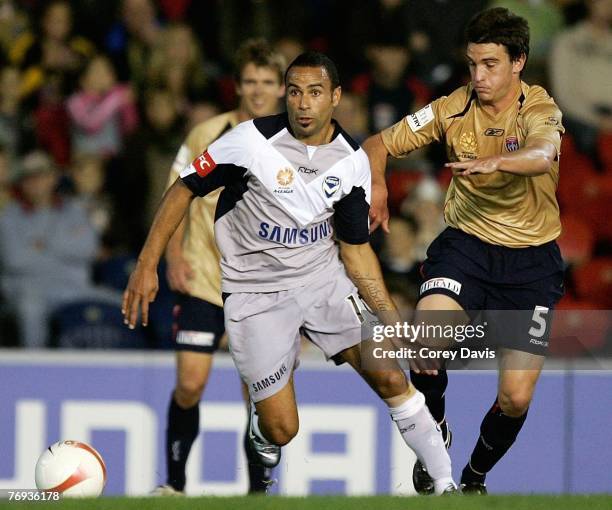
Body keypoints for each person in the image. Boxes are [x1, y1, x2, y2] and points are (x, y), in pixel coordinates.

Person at [123, 51, 457, 495]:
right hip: (255, 293)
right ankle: (264, 431)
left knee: (391, 375)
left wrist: (392, 322)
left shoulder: (351, 161)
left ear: (335, 97)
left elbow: (356, 254)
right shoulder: (248, 142)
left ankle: (446, 484)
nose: (303, 103)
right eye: (296, 91)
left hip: (323, 281)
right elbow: (183, 188)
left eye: (315, 93)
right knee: (282, 429)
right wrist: (148, 264)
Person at [363, 7, 565, 494]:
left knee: (515, 398)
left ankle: (473, 477)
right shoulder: (452, 107)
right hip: (466, 246)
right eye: (473, 64)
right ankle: (435, 432)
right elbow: (376, 142)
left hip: (531, 261)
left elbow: (543, 154)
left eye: (490, 64)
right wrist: (378, 184)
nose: (478, 76)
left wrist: (500, 160)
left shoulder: (539, 108)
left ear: (518, 62)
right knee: (428, 341)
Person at [151, 39, 286, 495]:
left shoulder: (295, 143)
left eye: (268, 82)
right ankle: (173, 485)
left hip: (261, 288)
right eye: (250, 81)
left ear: (283, 89)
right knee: (189, 384)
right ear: (238, 85)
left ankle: (257, 494)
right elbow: (175, 195)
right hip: (204, 279)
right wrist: (172, 256)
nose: (258, 90)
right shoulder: (205, 134)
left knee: (258, 396)